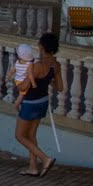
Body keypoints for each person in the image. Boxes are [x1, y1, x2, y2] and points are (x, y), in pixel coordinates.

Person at [14, 32, 64, 177]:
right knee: (31, 135)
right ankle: (33, 167)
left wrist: (18, 79)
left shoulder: (37, 66)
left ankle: (45, 159)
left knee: (20, 136)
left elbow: (23, 88)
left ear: (41, 47)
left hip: (30, 103)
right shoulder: (56, 65)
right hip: (43, 102)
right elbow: (60, 88)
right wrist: (49, 79)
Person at [6, 43, 37, 110]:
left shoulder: (17, 62)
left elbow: (12, 71)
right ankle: (16, 104)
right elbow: (30, 74)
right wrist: (33, 83)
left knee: (23, 94)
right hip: (23, 82)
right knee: (21, 95)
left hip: (17, 81)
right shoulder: (29, 64)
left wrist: (7, 77)